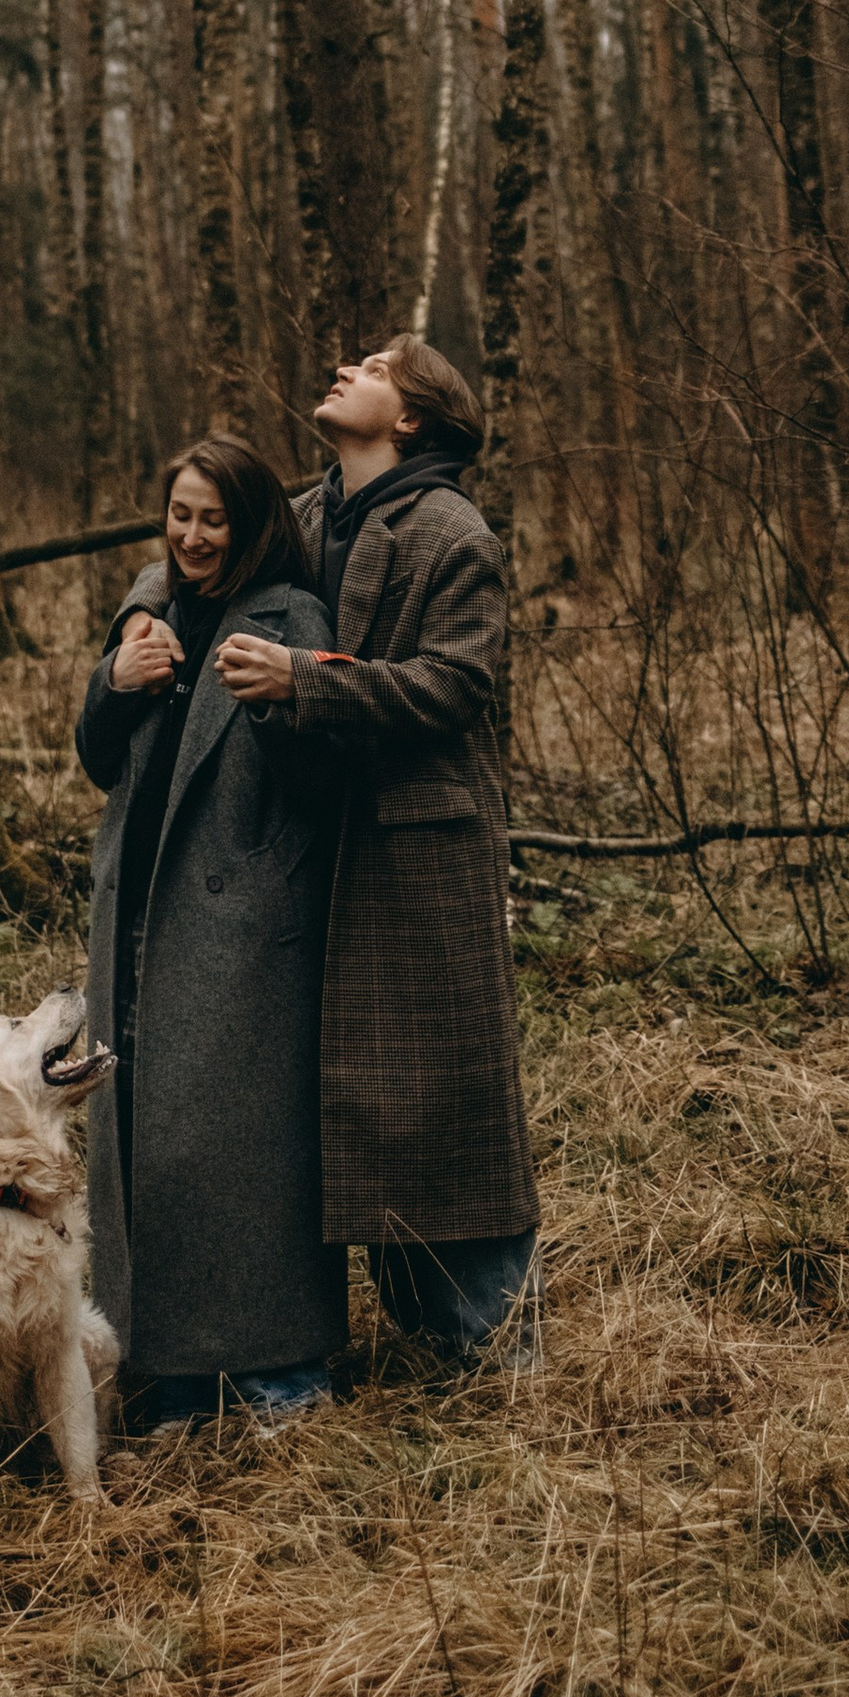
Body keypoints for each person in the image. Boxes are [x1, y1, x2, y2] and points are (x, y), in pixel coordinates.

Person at [213, 335, 540, 1362]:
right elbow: (191, 559)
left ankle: (486, 1343)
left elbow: (455, 684)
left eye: (376, 366)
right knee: (328, 1091)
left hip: (417, 849)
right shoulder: (302, 518)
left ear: (409, 418)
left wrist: (305, 680)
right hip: (305, 844)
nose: (345, 368)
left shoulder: (453, 532)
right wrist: (138, 635)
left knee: (440, 1093)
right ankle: (342, 1332)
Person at [78, 434, 341, 1427]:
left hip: (242, 930)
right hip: (136, 912)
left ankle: (281, 1365)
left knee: (242, 1152)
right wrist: (116, 681)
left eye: (213, 519)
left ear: (252, 523)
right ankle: (171, 1367)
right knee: (147, 1143)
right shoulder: (150, 608)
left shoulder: (291, 615)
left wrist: (283, 697)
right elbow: (97, 759)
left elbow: (326, 783)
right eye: (179, 515)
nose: (191, 536)